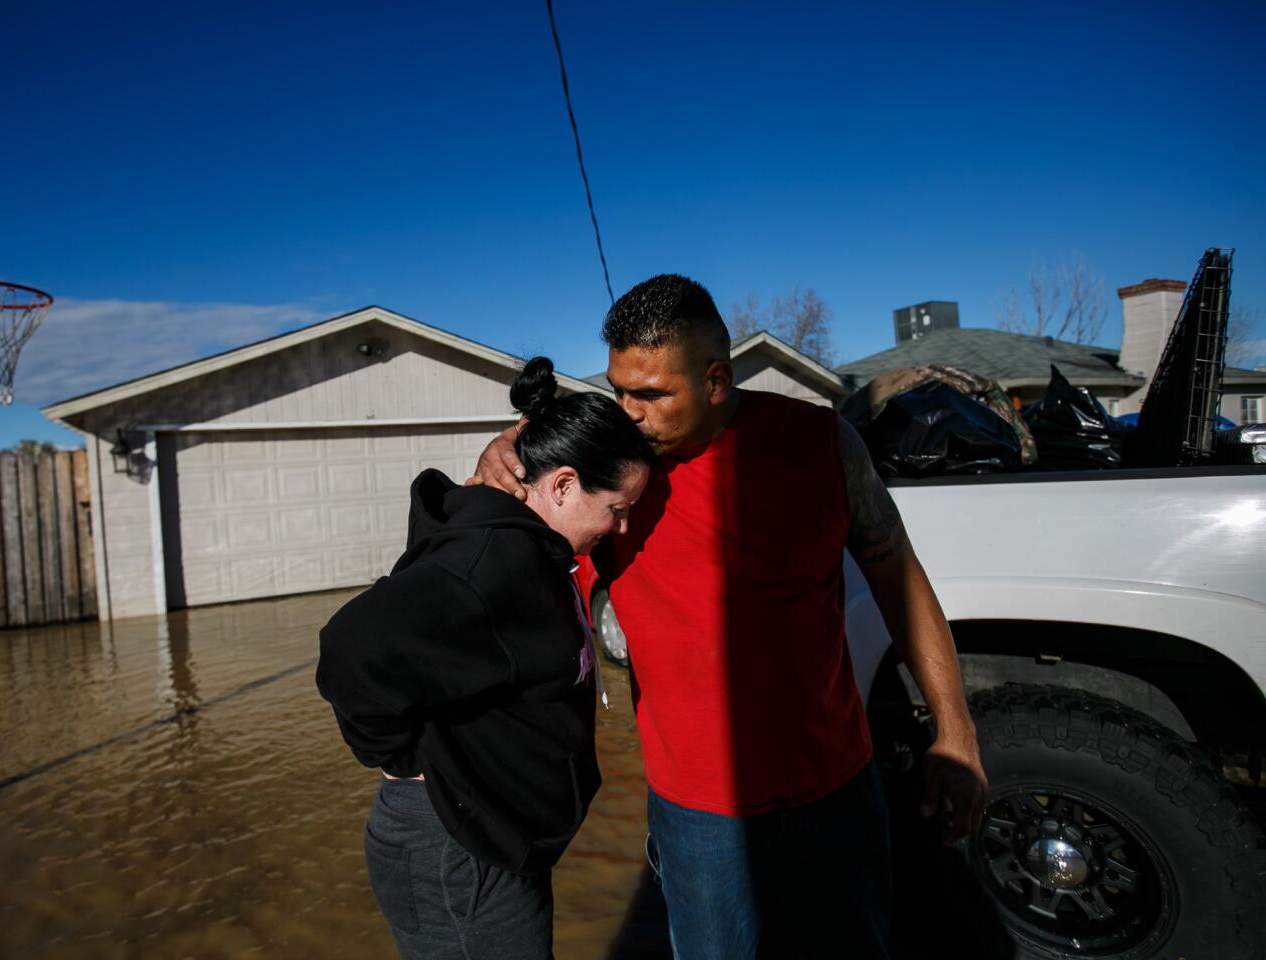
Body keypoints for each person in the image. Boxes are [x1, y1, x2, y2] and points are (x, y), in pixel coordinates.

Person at [470, 274, 987, 959]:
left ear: (715, 380)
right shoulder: (606, 479)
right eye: (619, 389)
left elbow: (899, 577)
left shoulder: (822, 444)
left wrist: (954, 731)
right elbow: (484, 575)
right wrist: (491, 478)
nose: (628, 412)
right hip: (699, 818)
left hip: (838, 790)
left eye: (650, 394)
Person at [316, 356, 653, 960]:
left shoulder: (527, 548)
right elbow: (351, 651)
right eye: (617, 509)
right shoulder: (490, 563)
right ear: (564, 484)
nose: (622, 527)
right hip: (456, 849)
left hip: (491, 838)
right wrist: (406, 761)